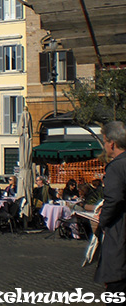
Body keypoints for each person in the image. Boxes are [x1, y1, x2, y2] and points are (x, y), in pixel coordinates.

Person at [95, 121, 126, 293]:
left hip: (119, 237)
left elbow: (113, 199)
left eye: (105, 142)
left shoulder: (116, 167)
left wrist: (102, 221)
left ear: (111, 143)